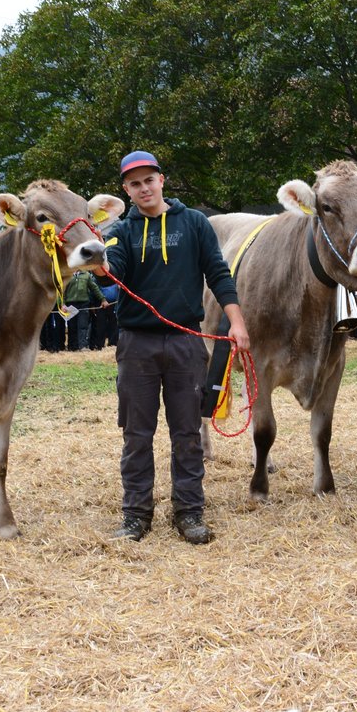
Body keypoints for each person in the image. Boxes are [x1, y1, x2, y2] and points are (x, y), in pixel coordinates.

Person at [100, 151, 250, 545]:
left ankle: (189, 511)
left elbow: (218, 272)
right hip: (136, 345)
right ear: (126, 190)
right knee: (136, 434)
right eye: (134, 183)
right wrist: (101, 266)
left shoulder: (194, 222)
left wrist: (236, 321)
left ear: (162, 180)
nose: (143, 188)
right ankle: (136, 514)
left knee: (186, 432)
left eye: (149, 179)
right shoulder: (121, 230)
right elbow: (113, 271)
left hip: (187, 339)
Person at [62, 267, 105, 350]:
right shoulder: (67, 275)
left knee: (83, 326)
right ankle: (72, 347)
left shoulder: (86, 275)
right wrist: (63, 304)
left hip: (83, 304)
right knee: (72, 326)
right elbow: (63, 290)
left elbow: (94, 288)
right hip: (70, 304)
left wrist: (103, 299)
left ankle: (83, 346)